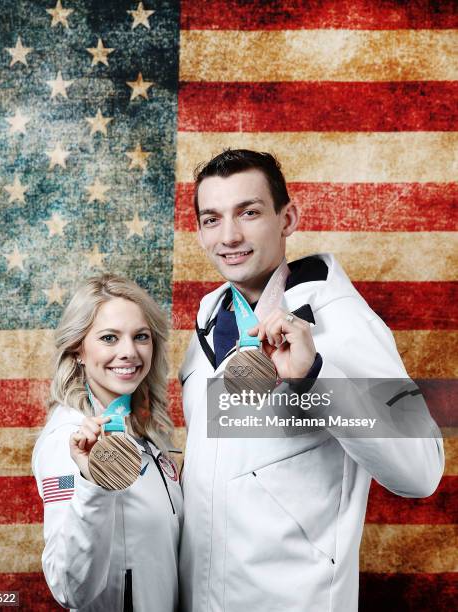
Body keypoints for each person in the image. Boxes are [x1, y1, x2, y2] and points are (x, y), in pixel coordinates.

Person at [178, 149, 444, 611]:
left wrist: (316, 379)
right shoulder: (205, 330)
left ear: (288, 218)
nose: (230, 236)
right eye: (211, 219)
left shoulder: (339, 321)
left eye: (249, 212)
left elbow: (422, 470)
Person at [32, 274, 182, 611]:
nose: (129, 352)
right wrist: (92, 483)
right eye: (109, 338)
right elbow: (69, 587)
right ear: (78, 349)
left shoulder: (143, 430)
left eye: (140, 336)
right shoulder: (68, 440)